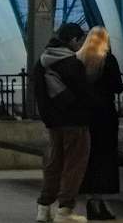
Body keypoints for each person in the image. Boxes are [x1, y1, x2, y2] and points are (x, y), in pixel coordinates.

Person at [34, 23, 94, 223]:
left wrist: (49, 118)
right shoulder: (72, 64)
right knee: (73, 166)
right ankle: (64, 211)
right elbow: (86, 94)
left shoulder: (41, 63)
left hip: (54, 124)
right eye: (81, 40)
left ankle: (43, 209)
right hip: (75, 123)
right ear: (74, 40)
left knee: (54, 165)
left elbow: (40, 96)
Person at [76, 27, 123, 220]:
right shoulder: (108, 61)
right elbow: (118, 88)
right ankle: (102, 200)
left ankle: (90, 200)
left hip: (86, 116)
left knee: (89, 156)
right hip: (106, 116)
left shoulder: (79, 61)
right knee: (105, 157)